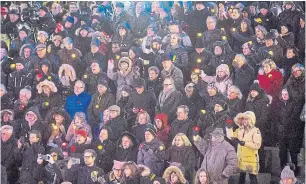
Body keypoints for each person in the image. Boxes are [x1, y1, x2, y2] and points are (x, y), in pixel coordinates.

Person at [231, 111, 262, 184]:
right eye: (244, 119)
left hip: (250, 159)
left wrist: (245, 143)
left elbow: (257, 145)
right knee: (241, 178)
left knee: (253, 178)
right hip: (241, 158)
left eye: (247, 119)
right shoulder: (240, 129)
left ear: (251, 120)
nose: (245, 121)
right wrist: (229, 127)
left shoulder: (255, 130)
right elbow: (231, 136)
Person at [279, 87, 304, 172]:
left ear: (289, 94)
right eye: (283, 94)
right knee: (282, 153)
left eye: (286, 94)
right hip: (282, 133)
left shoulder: (294, 103)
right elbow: (276, 116)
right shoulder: (280, 104)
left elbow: (294, 117)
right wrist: (279, 126)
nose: (284, 96)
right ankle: (283, 170)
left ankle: (294, 171)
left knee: (293, 152)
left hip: (291, 133)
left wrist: (284, 125)